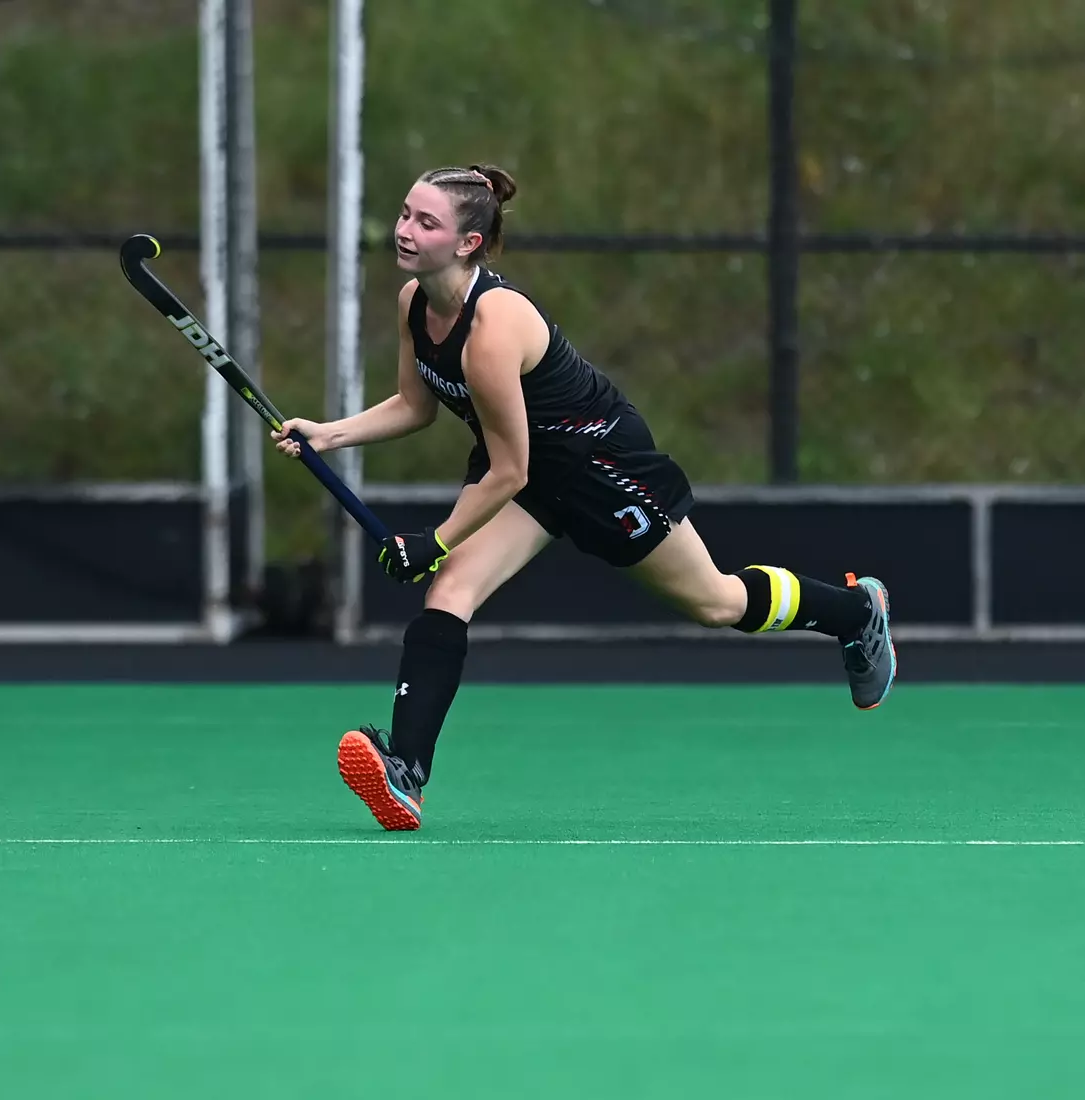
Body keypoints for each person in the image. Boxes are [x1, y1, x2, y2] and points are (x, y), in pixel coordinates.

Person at [272, 164, 896, 832]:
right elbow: (415, 405)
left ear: (467, 244)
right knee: (448, 593)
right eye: (404, 214)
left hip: (599, 467)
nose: (404, 230)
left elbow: (508, 471)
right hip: (524, 465)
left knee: (715, 602)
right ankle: (407, 773)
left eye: (426, 222)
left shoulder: (492, 329)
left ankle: (854, 612)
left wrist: (435, 540)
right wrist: (326, 434)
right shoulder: (413, 302)